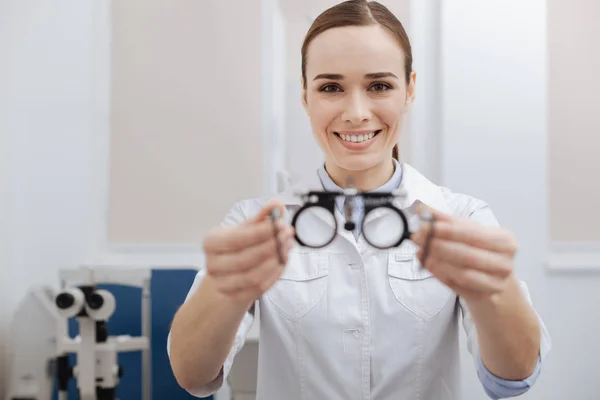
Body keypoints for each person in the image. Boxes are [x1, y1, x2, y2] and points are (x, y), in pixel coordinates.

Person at [167, 1, 551, 399]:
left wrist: (493, 290)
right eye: (330, 87)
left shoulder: (462, 216)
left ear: (410, 89)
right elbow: (193, 376)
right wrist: (226, 290)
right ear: (305, 96)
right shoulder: (253, 222)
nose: (356, 112)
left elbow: (512, 379)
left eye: (379, 86)